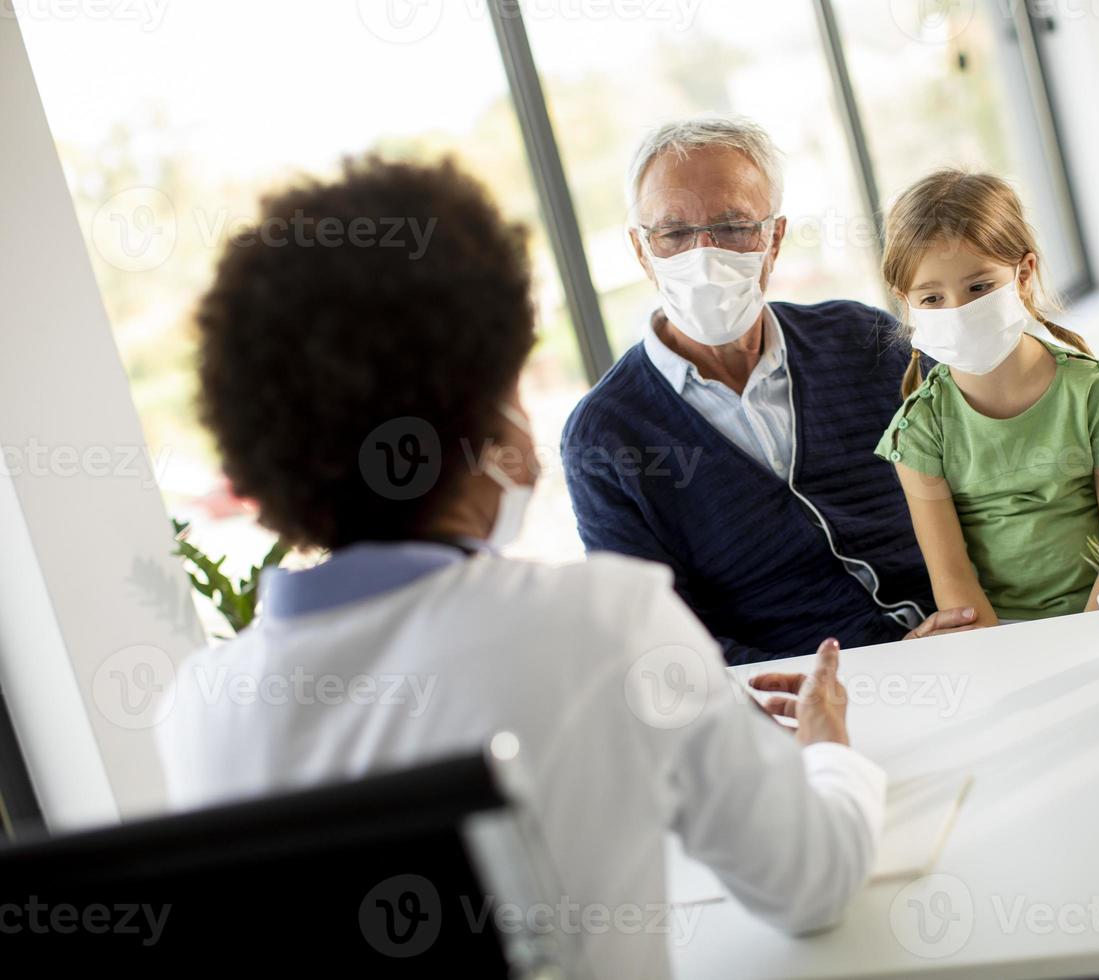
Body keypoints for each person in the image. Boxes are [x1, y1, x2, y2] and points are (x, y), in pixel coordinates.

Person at [155, 157, 885, 980]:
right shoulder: (606, 622)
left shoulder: (197, 710)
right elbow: (812, 886)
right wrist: (830, 748)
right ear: (486, 412)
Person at [561, 115, 1099, 665]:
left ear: (775, 239)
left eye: (733, 226)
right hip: (820, 705)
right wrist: (859, 676)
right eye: (673, 232)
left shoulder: (860, 341)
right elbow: (658, 643)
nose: (704, 253)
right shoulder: (607, 434)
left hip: (986, 637)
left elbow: (1027, 452)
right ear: (642, 252)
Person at [875, 169, 1099, 625]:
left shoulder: (1094, 392)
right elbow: (953, 584)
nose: (958, 312)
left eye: (979, 287)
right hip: (994, 635)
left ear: (1024, 274)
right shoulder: (919, 430)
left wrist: (1088, 635)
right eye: (932, 298)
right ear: (905, 302)